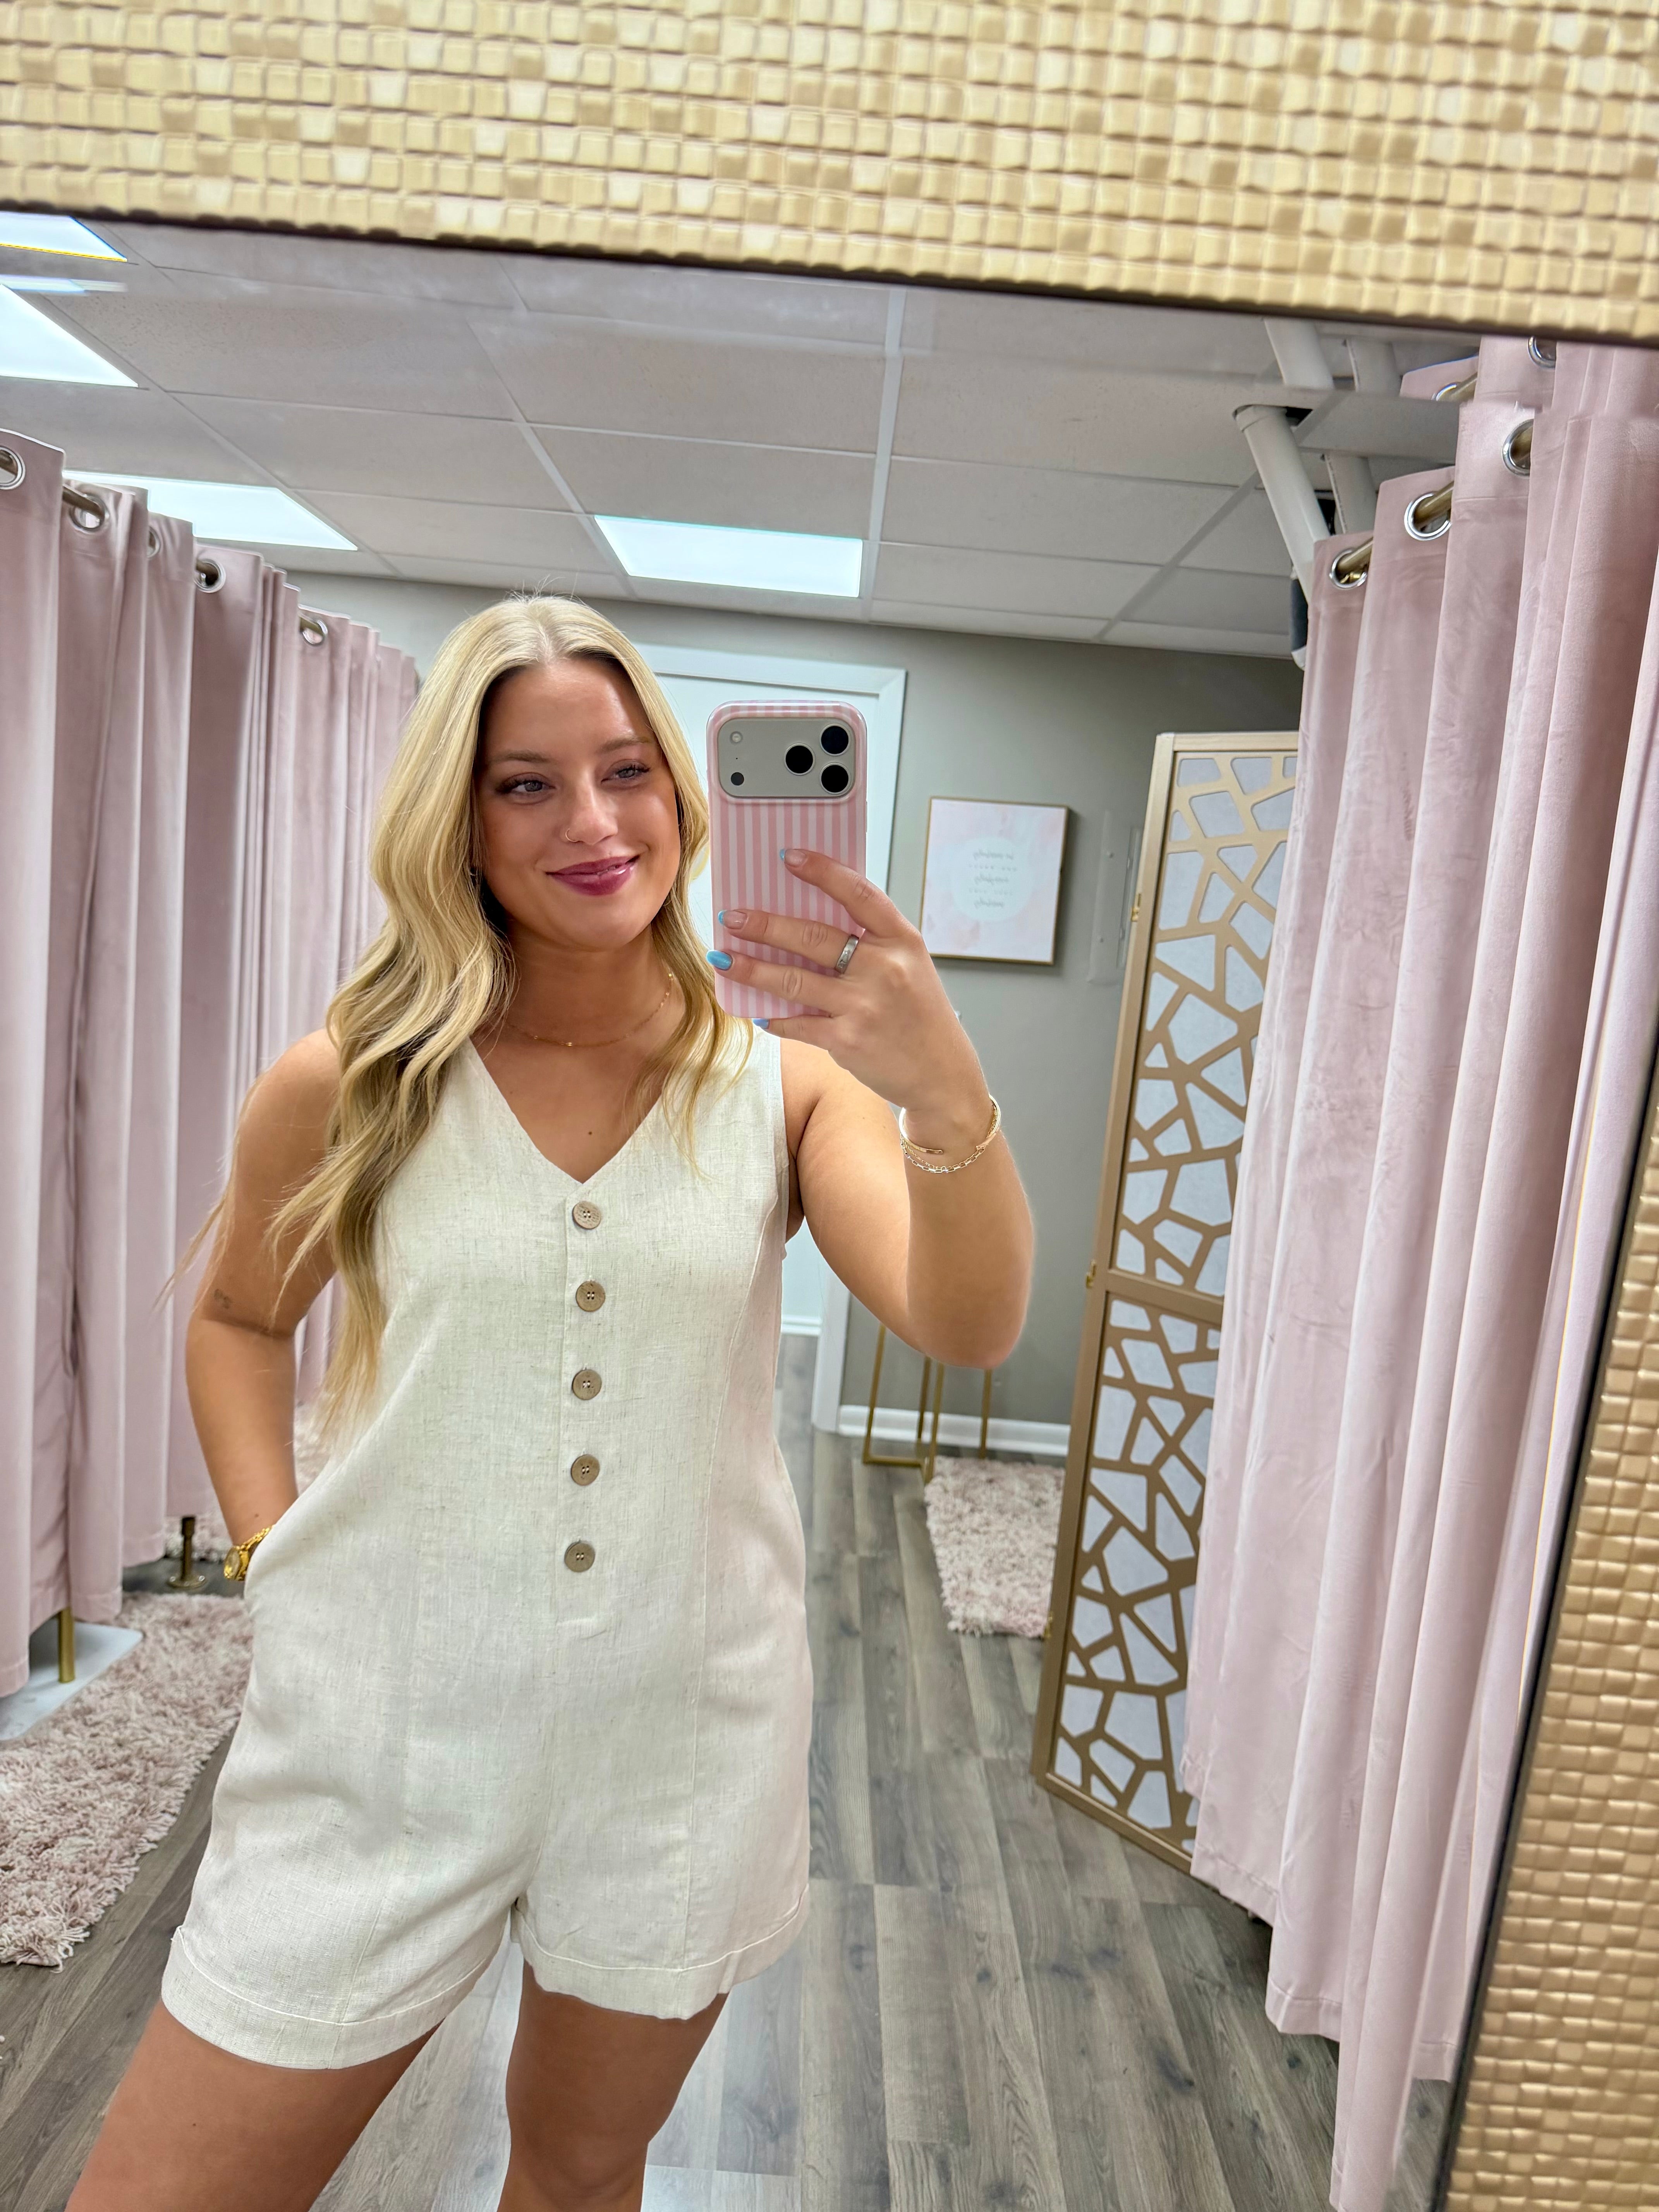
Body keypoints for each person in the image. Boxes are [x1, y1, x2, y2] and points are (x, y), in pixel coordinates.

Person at [70, 598, 1032, 2212]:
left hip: (681, 1741)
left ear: (683, 795)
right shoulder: (354, 1080)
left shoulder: (784, 1087)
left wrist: (947, 1096)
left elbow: (965, 1321)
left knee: (582, 2175)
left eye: (627, 770)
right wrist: (269, 1553)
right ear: (457, 818)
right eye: (527, 784)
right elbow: (239, 1321)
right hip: (377, 1731)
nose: (592, 822)